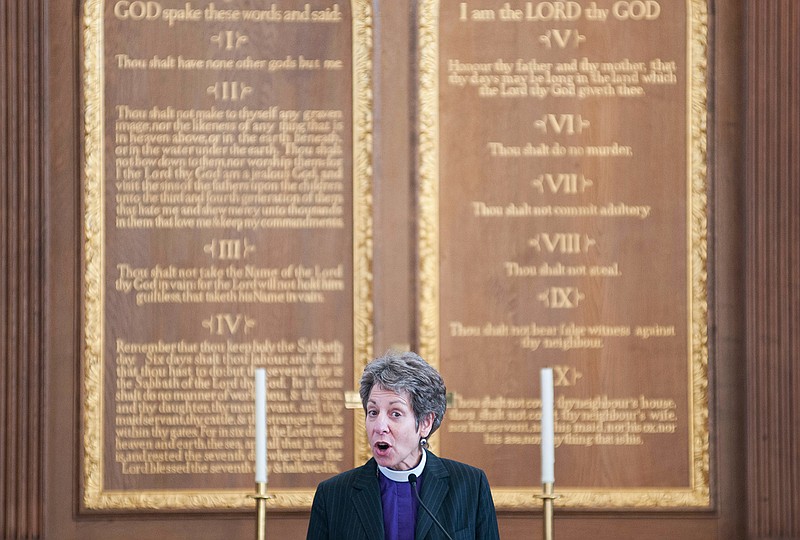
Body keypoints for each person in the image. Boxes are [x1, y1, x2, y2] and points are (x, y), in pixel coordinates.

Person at [307, 350, 500, 540]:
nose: (379, 427)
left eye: (395, 413)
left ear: (425, 423)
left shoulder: (470, 485)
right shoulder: (333, 495)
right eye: (373, 412)